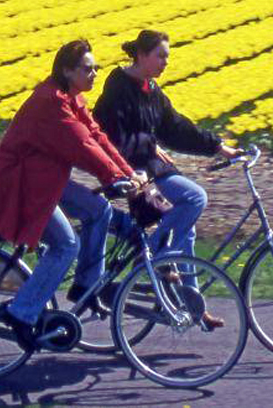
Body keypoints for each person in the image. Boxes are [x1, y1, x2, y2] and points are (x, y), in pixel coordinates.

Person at [0, 39, 144, 350]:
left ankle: (87, 286)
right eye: (87, 69)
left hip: (46, 181)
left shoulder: (72, 99)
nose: (95, 74)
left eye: (96, 68)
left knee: (99, 210)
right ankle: (21, 312)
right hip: (21, 185)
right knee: (65, 246)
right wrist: (114, 177)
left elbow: (96, 137)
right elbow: (82, 146)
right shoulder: (50, 103)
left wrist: (128, 174)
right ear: (66, 71)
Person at [93, 30, 243, 329]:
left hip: (151, 166)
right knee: (195, 198)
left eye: (167, 57)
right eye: (160, 56)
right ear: (142, 55)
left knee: (186, 231)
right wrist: (149, 146)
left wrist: (218, 147)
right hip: (130, 169)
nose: (165, 62)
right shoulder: (119, 85)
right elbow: (113, 136)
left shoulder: (151, 88)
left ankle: (192, 306)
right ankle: (153, 254)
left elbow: (175, 126)